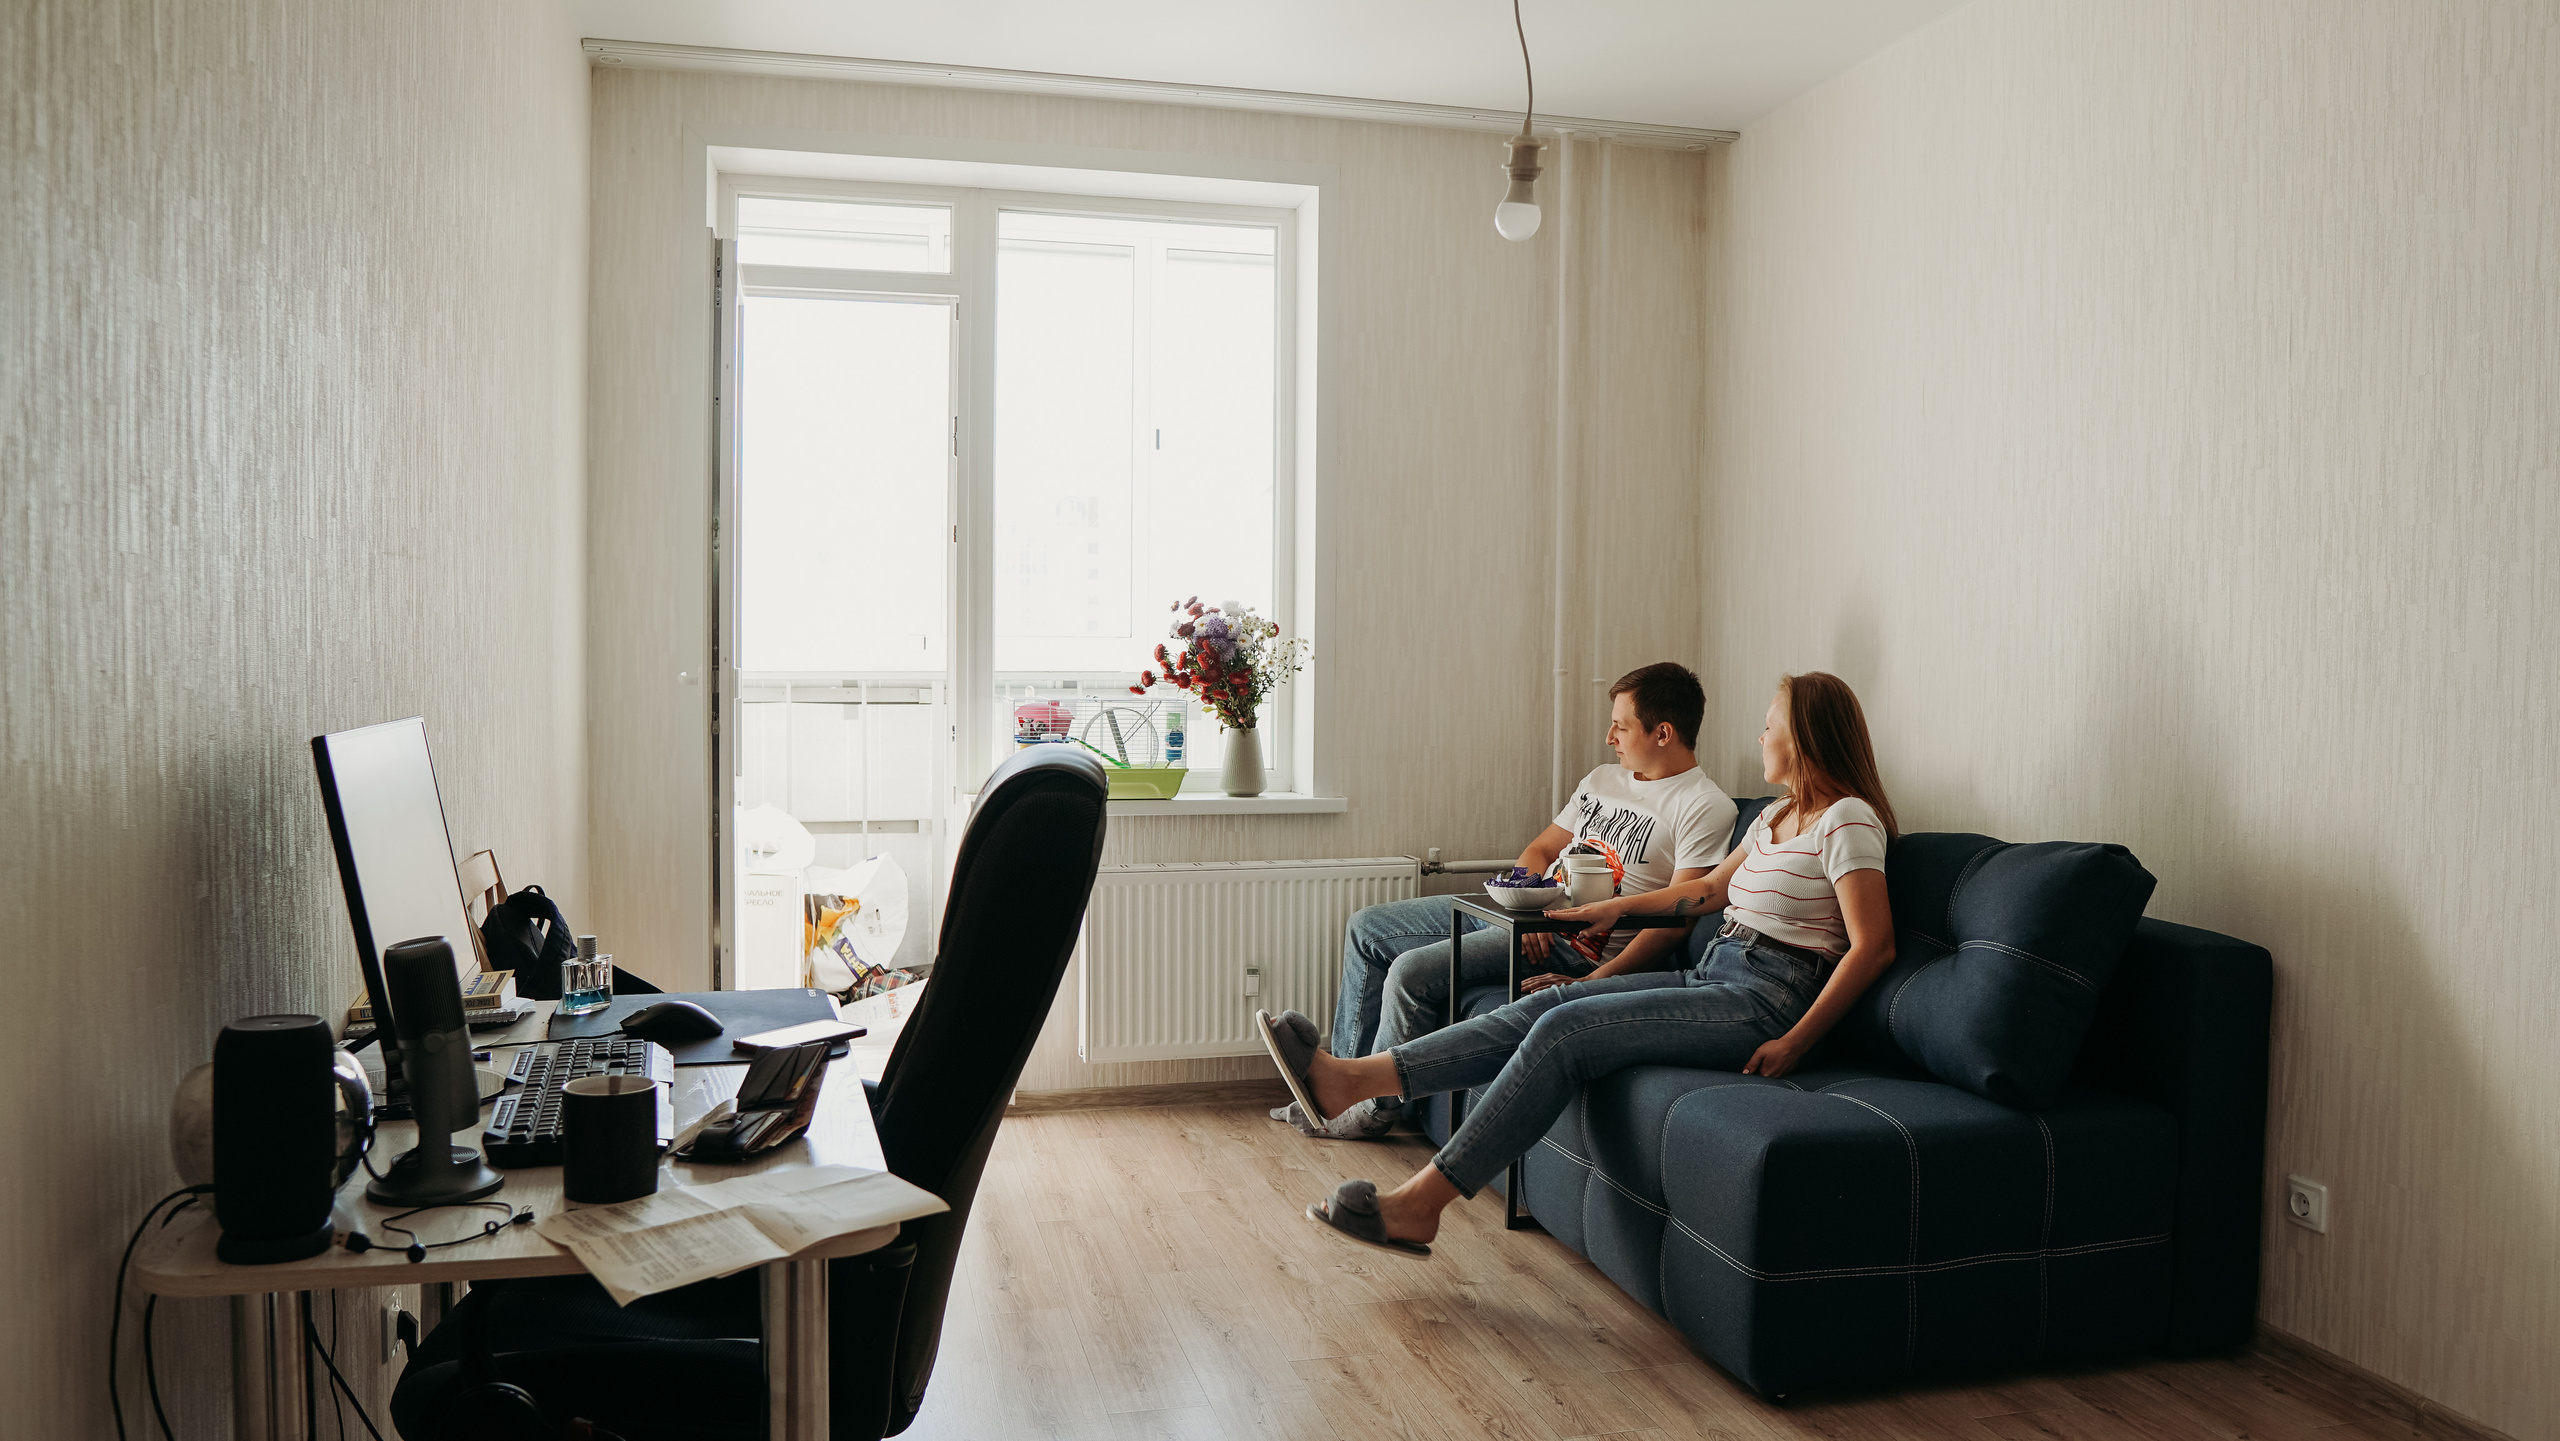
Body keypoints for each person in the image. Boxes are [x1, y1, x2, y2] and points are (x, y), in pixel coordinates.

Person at [1258, 672, 1899, 1254]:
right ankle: (1350, 1080)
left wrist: (1795, 1041)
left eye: (1769, 725)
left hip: (1767, 997)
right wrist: (1615, 909)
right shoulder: (1777, 817)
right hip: (1717, 972)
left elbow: (1874, 947)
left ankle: (1422, 1203)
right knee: (1548, 1004)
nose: (1760, 737)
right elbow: (1704, 892)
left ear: (1805, 736)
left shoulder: (1847, 821)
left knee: (1565, 1032)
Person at [1272, 663, 1737, 1139]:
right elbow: (1540, 850)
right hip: (1521, 912)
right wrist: (1526, 902)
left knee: (1410, 972)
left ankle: (1369, 1112)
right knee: (1367, 926)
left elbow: (1676, 919)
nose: (1608, 737)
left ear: (1663, 732)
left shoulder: (1703, 805)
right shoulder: (1603, 779)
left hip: (1573, 946)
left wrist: (1595, 982)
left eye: (1620, 725)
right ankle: (1329, 1094)